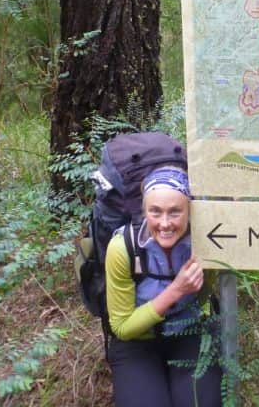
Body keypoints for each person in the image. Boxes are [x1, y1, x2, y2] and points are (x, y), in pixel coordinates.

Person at [105, 166, 223, 407]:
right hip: (136, 342)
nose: (165, 223)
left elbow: (204, 296)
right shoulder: (123, 247)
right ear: (144, 211)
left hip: (188, 332)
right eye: (155, 212)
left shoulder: (206, 240)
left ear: (189, 212)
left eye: (175, 212)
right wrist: (177, 290)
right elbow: (122, 327)